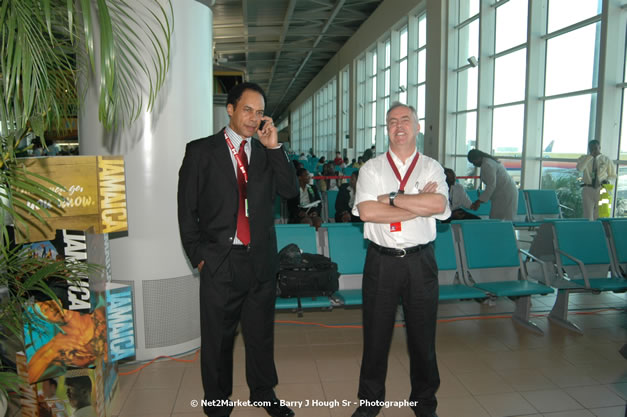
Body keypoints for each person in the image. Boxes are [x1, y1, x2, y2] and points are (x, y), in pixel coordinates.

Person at [177, 82, 298, 417]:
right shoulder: (201, 152)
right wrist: (199, 257)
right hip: (219, 260)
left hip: (259, 260)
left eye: (259, 112)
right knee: (218, 339)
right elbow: (186, 210)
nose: (253, 118)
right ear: (230, 109)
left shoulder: (264, 151)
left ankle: (263, 391)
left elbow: (291, 193)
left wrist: (275, 148)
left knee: (260, 335)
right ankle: (217, 401)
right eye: (247, 110)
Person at [350, 102, 450, 417]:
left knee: (423, 338)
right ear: (387, 129)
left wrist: (391, 200)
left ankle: (424, 403)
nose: (399, 125)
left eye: (405, 119)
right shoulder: (371, 169)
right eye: (392, 121)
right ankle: (369, 404)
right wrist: (418, 204)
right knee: (376, 338)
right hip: (381, 262)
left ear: (417, 126)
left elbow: (439, 205)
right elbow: (367, 212)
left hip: (421, 262)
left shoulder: (432, 167)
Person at [467, 149, 518, 220]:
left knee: (500, 219)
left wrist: (479, 201)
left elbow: (491, 185)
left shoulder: (488, 164)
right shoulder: (487, 162)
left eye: (474, 161)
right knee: (498, 218)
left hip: (505, 193)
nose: (474, 164)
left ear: (478, 158)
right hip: (502, 193)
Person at [577, 140, 617, 220]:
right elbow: (580, 168)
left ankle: (600, 231)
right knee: (588, 216)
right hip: (588, 189)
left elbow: (613, 175)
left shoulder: (606, 159)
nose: (594, 150)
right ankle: (589, 231)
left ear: (599, 147)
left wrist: (608, 181)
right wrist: (590, 157)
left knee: (600, 215)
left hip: (602, 188)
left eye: (595, 148)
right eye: (591, 148)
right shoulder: (583, 158)